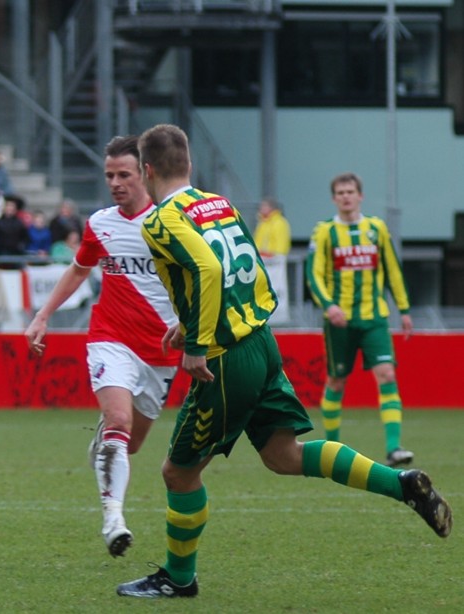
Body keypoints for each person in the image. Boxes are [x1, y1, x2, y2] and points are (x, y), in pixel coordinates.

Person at [114, 124, 452, 600]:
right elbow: (238, 264)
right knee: (283, 455)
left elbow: (208, 268)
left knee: (178, 472)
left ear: (146, 171)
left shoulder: (159, 220)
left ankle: (178, 578)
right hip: (261, 340)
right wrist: (191, 320)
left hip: (225, 357)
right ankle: (401, 484)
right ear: (189, 166)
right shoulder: (219, 204)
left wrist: (197, 340)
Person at [25, 135, 180, 557]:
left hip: (163, 352)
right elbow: (78, 272)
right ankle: (113, 520)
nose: (115, 182)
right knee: (118, 421)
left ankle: (107, 442)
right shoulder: (100, 224)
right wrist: (43, 316)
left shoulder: (171, 224)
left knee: (129, 444)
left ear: (145, 172)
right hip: (110, 339)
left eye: (124, 174)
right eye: (109, 175)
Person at [306, 172, 415, 467]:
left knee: (387, 375)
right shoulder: (324, 232)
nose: (346, 196)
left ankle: (393, 448)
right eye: (340, 192)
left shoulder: (376, 229)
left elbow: (393, 269)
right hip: (339, 321)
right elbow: (313, 274)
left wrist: (404, 309)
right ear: (334, 198)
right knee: (337, 381)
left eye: (350, 191)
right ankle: (331, 449)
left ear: (360, 195)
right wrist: (329, 306)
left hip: (374, 318)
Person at [253, 197, 291, 324]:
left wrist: (273, 254)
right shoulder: (262, 222)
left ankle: (278, 316)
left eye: (265, 206)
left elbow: (281, 244)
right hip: (262, 261)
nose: (261, 209)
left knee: (276, 286)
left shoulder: (280, 222)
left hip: (273, 263)